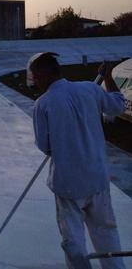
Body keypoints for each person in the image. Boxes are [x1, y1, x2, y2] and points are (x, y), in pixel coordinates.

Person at [30, 52, 126, 269]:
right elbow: (118, 105)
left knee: (73, 240)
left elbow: (45, 146)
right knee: (106, 233)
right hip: (97, 179)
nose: (34, 82)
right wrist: (108, 77)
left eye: (35, 77)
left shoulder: (43, 104)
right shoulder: (89, 89)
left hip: (68, 185)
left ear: (43, 75)